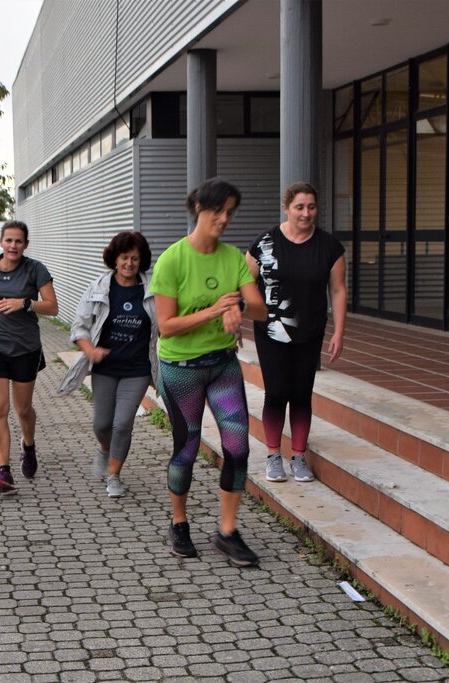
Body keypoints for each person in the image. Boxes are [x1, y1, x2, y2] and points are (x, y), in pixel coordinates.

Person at [150, 178, 267, 567]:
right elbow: (166, 326)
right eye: (218, 210)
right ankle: (179, 523)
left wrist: (238, 307)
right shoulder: (172, 260)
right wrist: (217, 310)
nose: (225, 218)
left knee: (238, 447)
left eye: (231, 211)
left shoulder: (233, 257)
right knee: (186, 448)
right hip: (180, 369)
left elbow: (259, 307)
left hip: (222, 365)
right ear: (198, 208)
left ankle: (228, 531)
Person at [247, 182, 347, 483]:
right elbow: (242, 282)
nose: (306, 213)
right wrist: (241, 316)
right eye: (299, 207)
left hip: (310, 331)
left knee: (302, 394)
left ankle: (299, 456)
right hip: (271, 331)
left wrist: (339, 331)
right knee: (277, 393)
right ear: (286, 207)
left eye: (311, 207)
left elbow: (338, 289)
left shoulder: (329, 247)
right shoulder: (265, 242)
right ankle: (273, 454)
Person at [58, 231, 158, 498]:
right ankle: (105, 448)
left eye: (135, 259)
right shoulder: (99, 287)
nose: (129, 263)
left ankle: (114, 475)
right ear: (115, 258)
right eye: (124, 257)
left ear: (141, 261)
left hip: (137, 368)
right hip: (105, 367)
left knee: (123, 423)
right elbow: (80, 326)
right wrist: (90, 350)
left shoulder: (152, 288)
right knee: (102, 424)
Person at [0, 221, 58, 494]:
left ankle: (28, 445)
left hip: (25, 348)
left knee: (23, 409)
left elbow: (53, 307)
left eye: (18, 242)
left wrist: (25, 303)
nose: (13, 246)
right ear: (1, 242)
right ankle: (3, 471)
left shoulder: (35, 269)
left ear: (25, 245)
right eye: (9, 240)